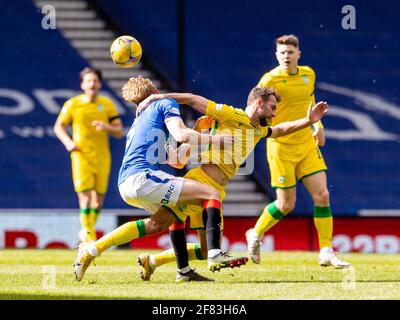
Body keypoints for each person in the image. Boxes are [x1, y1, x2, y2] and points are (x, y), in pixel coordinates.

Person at [134, 86, 329, 280]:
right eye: (272, 107)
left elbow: (279, 130)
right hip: (201, 183)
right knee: (158, 224)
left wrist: (308, 121)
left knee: (205, 249)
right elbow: (193, 99)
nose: (274, 114)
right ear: (259, 103)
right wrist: (156, 98)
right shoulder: (229, 114)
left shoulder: (258, 130)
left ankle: (152, 261)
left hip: (216, 189)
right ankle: (102, 246)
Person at [73, 76, 247, 283]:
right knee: (211, 193)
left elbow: (176, 161)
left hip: (127, 183)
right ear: (154, 90)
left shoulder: (143, 118)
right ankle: (214, 253)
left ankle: (181, 270)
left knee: (163, 221)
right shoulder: (164, 103)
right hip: (142, 176)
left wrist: (199, 130)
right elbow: (181, 134)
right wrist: (215, 139)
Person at [246, 34, 350, 268]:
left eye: (290, 52)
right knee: (286, 205)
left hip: (306, 144)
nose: (286, 56)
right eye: (282, 52)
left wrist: (318, 125)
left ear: (298, 54)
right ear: (276, 55)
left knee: (322, 196)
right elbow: (254, 107)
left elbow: (308, 103)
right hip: (281, 147)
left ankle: (326, 251)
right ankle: (255, 233)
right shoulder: (269, 79)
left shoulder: (308, 74)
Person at [54, 67, 124, 243]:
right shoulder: (73, 104)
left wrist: (105, 126)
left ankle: (87, 229)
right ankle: (88, 233)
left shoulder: (107, 104)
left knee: (98, 201)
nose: (92, 84)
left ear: (99, 83)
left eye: (95, 80)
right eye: (88, 81)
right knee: (85, 196)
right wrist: (69, 143)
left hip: (102, 157)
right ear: (82, 84)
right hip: (81, 156)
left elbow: (119, 131)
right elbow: (59, 127)